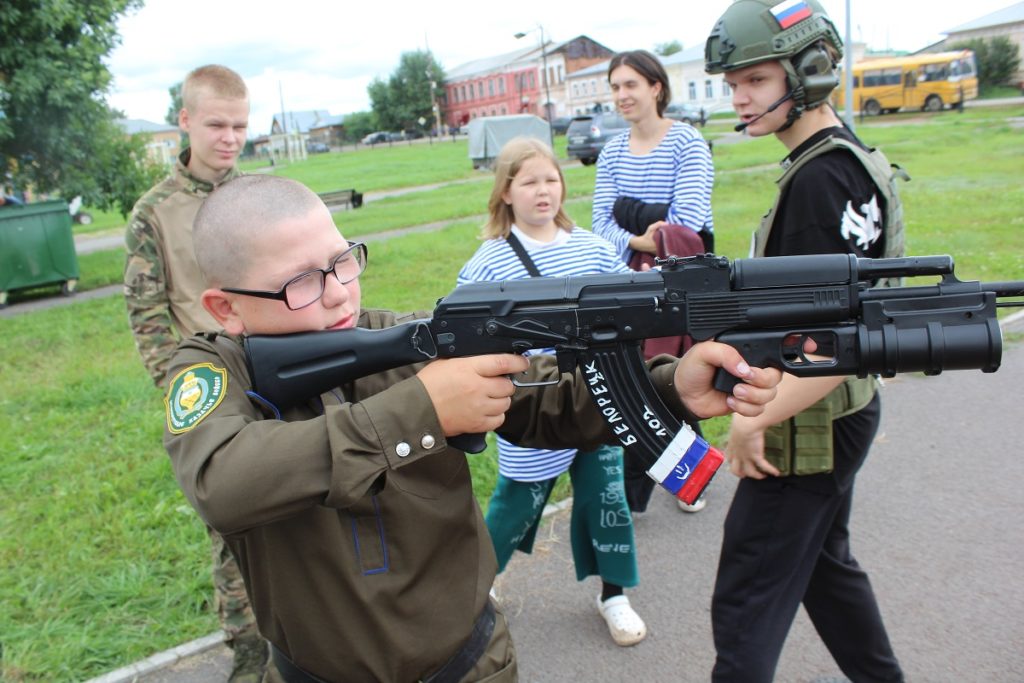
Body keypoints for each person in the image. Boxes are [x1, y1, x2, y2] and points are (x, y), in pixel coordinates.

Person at [163, 173, 783, 682]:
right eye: (300, 282)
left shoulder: (403, 340)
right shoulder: (213, 371)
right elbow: (225, 479)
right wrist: (423, 410)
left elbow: (550, 400)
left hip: (472, 667)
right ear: (226, 307)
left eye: (342, 262)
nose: (336, 294)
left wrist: (671, 386)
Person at [704, 1, 908, 681]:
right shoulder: (842, 159)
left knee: (745, 605)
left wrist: (750, 420)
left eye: (756, 79)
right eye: (733, 83)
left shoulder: (821, 180)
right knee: (825, 570)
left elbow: (834, 341)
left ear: (810, 71)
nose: (740, 97)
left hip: (809, 421)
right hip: (842, 410)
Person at [458, 137, 646, 647]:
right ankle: (474, 589)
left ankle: (615, 595)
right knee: (516, 502)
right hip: (531, 410)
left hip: (597, 400)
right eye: (529, 181)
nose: (543, 191)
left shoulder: (592, 247)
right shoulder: (489, 263)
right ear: (505, 192)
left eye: (551, 179)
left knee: (606, 498)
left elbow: (629, 305)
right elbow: (465, 330)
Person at [122, 65, 267, 681]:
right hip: (210, 385)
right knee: (230, 521)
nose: (230, 137)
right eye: (216, 124)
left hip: (273, 373)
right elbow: (146, 310)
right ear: (185, 122)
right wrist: (180, 391)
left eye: (239, 125)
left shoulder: (260, 196)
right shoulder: (153, 213)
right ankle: (250, 649)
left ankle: (305, 633)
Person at [591, 49, 716, 514]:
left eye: (631, 85)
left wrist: (632, 216)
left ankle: (685, 479)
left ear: (656, 88)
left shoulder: (687, 143)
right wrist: (642, 231)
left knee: (675, 373)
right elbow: (600, 222)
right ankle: (648, 488)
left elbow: (689, 221)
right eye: (616, 86)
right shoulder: (611, 151)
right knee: (636, 377)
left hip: (682, 279)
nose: (622, 95)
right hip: (627, 278)